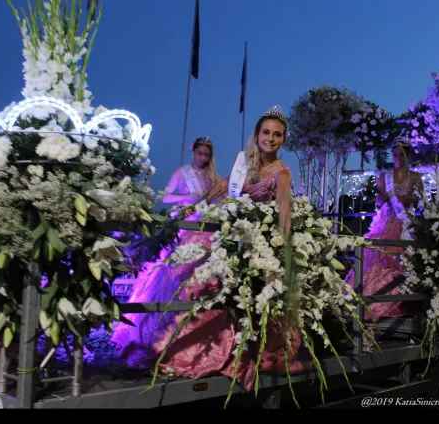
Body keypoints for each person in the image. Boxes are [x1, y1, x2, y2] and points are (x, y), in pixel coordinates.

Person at [148, 105, 312, 391]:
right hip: (229, 234)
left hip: (256, 243)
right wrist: (191, 212)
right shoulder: (244, 163)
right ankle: (194, 349)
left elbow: (284, 214)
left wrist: (285, 255)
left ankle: (228, 350)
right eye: (265, 132)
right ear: (257, 134)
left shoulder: (281, 173)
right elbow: (222, 188)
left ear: (284, 139)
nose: (270, 139)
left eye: (277, 134)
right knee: (198, 283)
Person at [110, 137, 223, 367]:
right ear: (193, 152)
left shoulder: (213, 176)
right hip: (183, 228)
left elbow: (222, 195)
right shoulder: (182, 173)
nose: (203, 158)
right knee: (174, 276)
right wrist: (188, 199)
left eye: (206, 155)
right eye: (200, 153)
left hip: (205, 229)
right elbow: (167, 196)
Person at [344, 139, 424, 323]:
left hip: (405, 223)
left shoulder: (415, 177)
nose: (397, 158)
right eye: (395, 154)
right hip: (385, 222)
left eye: (401, 154)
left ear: (408, 155)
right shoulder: (384, 177)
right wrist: (382, 196)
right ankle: (361, 301)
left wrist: (406, 198)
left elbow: (420, 201)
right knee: (375, 258)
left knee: (402, 261)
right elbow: (379, 201)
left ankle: (397, 303)